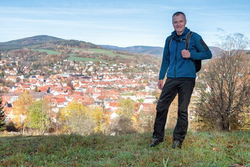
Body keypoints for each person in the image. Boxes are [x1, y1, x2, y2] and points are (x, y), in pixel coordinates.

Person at [150, 11, 212, 148]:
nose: (178, 24)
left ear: (185, 22)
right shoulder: (169, 39)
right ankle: (157, 137)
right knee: (161, 107)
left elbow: (208, 53)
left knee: (182, 110)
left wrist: (191, 54)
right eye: (175, 22)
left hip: (187, 79)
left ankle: (178, 140)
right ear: (173, 23)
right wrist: (161, 77)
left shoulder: (194, 37)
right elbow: (165, 59)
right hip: (171, 78)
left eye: (180, 21)